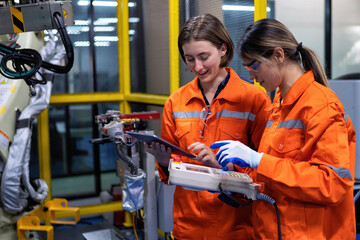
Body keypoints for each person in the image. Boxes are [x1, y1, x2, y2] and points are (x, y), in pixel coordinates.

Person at [211, 18, 356, 239]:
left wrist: (259, 160)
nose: (251, 77)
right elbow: (276, 175)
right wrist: (235, 175)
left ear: (278, 55)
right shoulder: (279, 104)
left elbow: (333, 184)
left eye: (254, 66)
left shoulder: (321, 105)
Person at [144, 14, 270, 239]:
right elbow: (169, 174)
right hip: (187, 229)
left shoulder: (254, 100)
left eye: (204, 56)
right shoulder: (176, 101)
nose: (198, 67)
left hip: (237, 229)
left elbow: (265, 173)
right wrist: (164, 162)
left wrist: (220, 166)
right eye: (190, 59)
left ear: (223, 49)